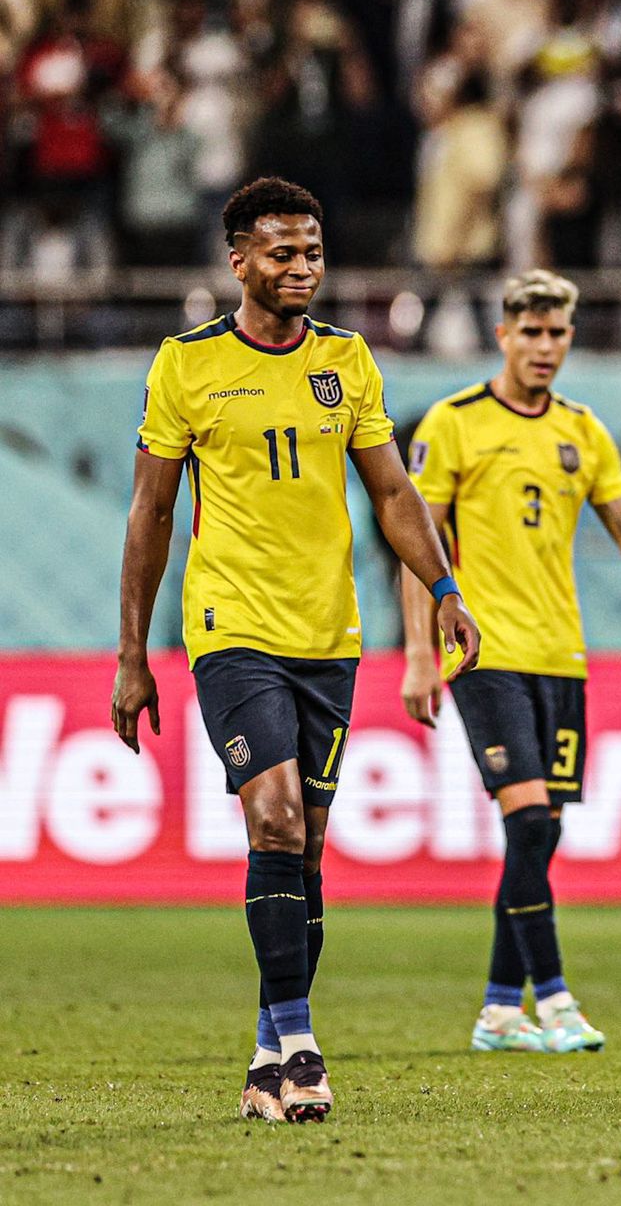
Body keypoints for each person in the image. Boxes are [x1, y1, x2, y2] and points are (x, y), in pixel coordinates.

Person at [111, 176, 480, 1124]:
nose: (302, 268)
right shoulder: (185, 366)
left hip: (330, 636)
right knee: (272, 820)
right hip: (232, 631)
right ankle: (306, 1045)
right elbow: (152, 513)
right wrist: (130, 653)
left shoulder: (348, 362)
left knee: (306, 848)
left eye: (312, 252)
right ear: (238, 261)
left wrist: (442, 592)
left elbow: (394, 494)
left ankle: (269, 1056)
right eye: (282, 253)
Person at [399, 269, 621, 1053]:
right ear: (503, 335)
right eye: (530, 332)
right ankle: (554, 998)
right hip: (484, 652)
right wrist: (421, 653)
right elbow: (416, 543)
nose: (545, 347)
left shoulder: (583, 432)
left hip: (562, 657)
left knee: (541, 834)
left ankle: (498, 1010)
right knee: (527, 819)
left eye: (557, 333)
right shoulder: (454, 423)